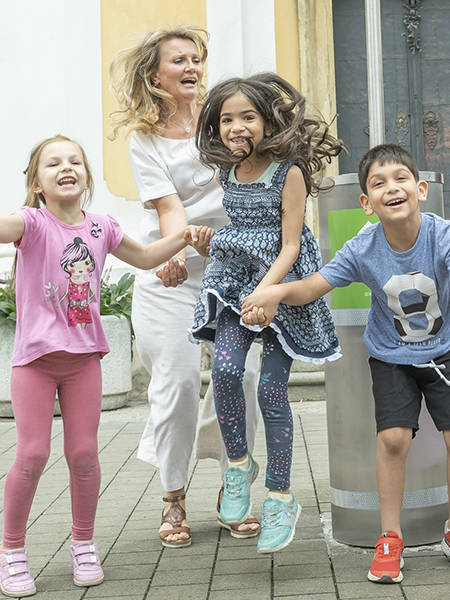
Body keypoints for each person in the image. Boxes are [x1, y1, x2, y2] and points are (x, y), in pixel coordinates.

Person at [241, 144, 450, 582]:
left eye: (401, 178)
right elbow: (314, 285)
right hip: (389, 355)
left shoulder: (443, 234)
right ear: (366, 203)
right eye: (378, 183)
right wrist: (274, 293)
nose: (392, 188)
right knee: (392, 440)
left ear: (421, 189)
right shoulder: (363, 246)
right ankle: (390, 536)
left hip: (444, 349)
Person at [0, 128, 208, 597]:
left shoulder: (102, 228)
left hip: (83, 362)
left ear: (87, 176)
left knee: (83, 454)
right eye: (53, 163)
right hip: (35, 361)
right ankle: (11, 550)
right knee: (32, 454)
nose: (66, 168)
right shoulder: (31, 224)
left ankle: (83, 543)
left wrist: (185, 237)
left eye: (74, 160)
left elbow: (145, 257)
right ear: (37, 182)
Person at [109, 25, 262, 547]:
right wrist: (171, 254)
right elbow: (169, 211)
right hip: (167, 274)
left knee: (238, 378)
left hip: (229, 271)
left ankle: (232, 485)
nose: (192, 67)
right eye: (179, 60)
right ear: (155, 74)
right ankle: (173, 496)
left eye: (196, 59)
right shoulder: (146, 139)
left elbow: (252, 192)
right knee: (175, 386)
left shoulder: (226, 122)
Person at [188, 72, 345, 554]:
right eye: (227, 118)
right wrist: (205, 241)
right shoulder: (226, 172)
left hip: (281, 282)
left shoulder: (288, 171)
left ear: (268, 121)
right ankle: (239, 466)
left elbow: (290, 243)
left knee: (274, 391)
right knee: (227, 369)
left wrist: (268, 292)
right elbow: (239, 227)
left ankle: (280, 496)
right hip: (237, 280)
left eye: (248, 117)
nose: (237, 126)